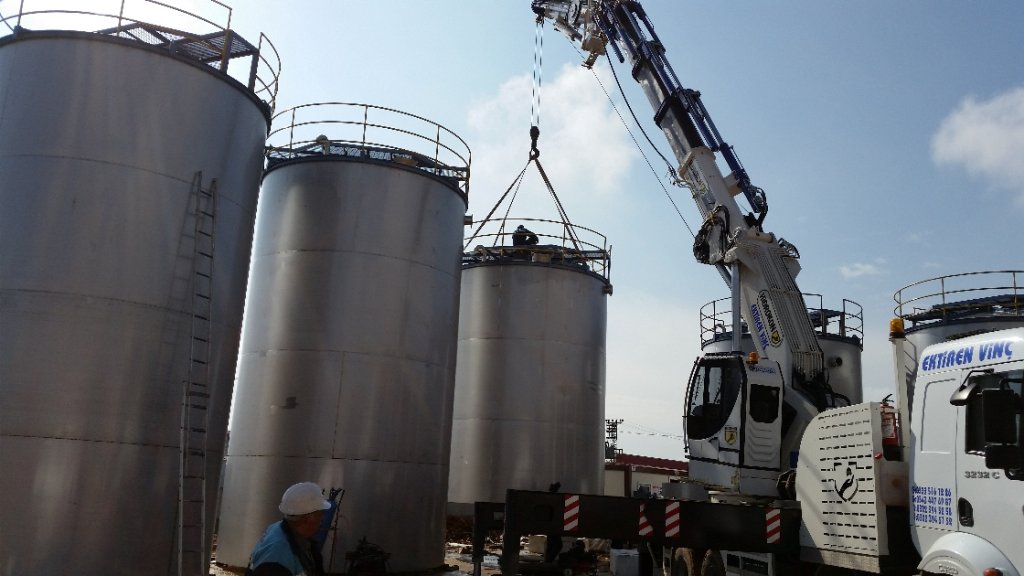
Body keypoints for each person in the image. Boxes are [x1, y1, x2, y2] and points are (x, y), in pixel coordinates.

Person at [247, 481, 335, 576]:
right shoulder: (277, 561)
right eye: (320, 514)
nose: (322, 519)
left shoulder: (278, 528)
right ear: (306, 520)